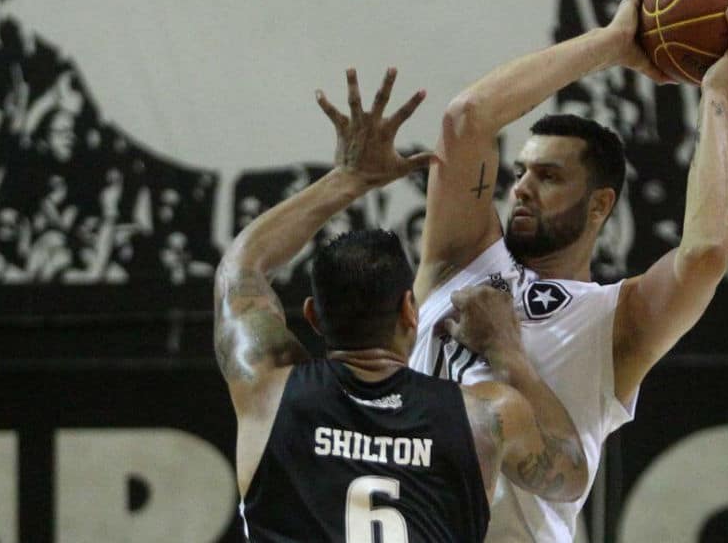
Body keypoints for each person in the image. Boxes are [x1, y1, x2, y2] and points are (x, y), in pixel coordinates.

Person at [319, 0, 728, 542]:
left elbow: (707, 252)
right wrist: (612, 44)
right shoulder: (462, 258)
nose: (522, 188)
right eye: (521, 172)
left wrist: (716, 97)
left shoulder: (616, 320)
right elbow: (467, 118)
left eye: (550, 175)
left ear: (599, 205)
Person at [215, 68, 593, 542]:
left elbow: (242, 266)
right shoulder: (486, 416)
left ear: (313, 316)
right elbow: (571, 474)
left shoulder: (266, 388)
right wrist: (508, 354)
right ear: (410, 312)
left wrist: (348, 179)